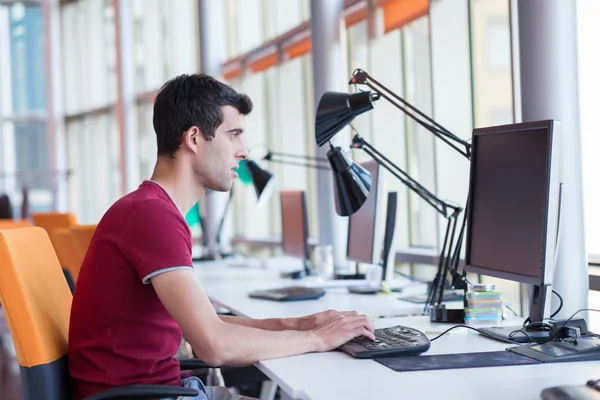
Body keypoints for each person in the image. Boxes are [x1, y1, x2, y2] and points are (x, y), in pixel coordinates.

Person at [68, 74, 375, 400]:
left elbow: (208, 323)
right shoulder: (151, 215)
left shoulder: (151, 208)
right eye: (234, 135)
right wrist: (318, 339)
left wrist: (303, 324)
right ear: (195, 139)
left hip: (161, 391)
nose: (243, 152)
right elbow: (214, 345)